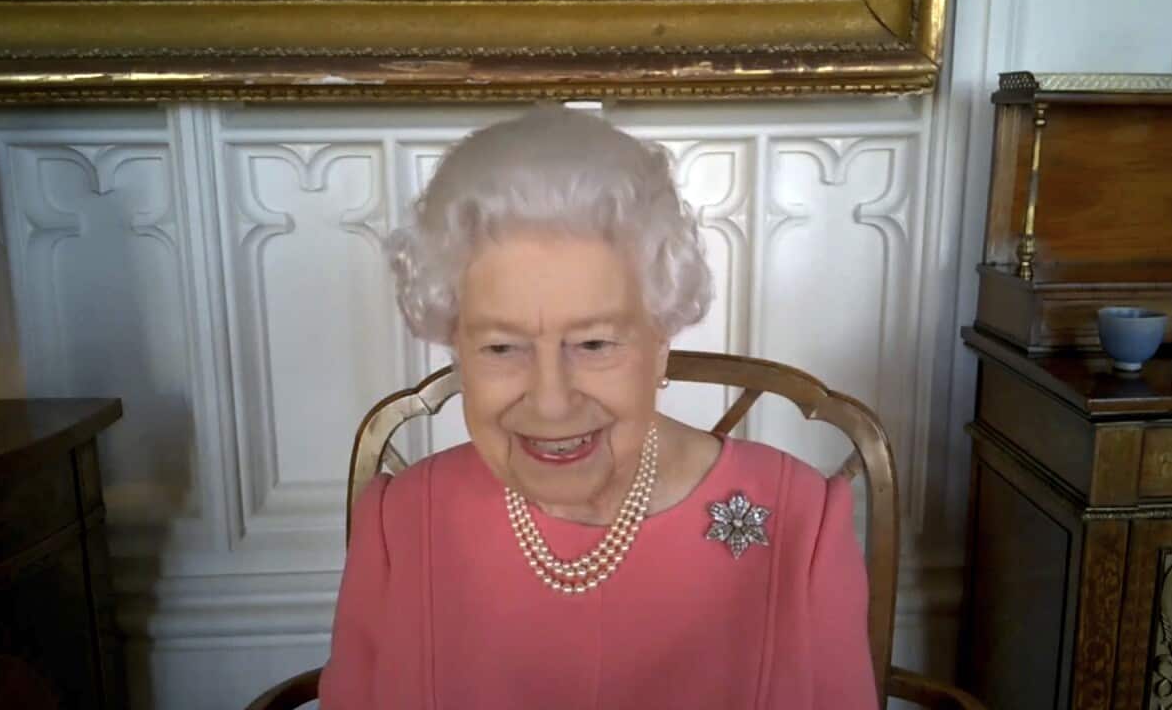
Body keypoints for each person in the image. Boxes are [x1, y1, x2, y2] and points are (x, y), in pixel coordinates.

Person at [318, 105, 876, 708]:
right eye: (502, 347)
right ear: (457, 349)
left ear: (660, 341)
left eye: (593, 344)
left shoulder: (800, 524)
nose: (552, 403)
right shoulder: (400, 524)